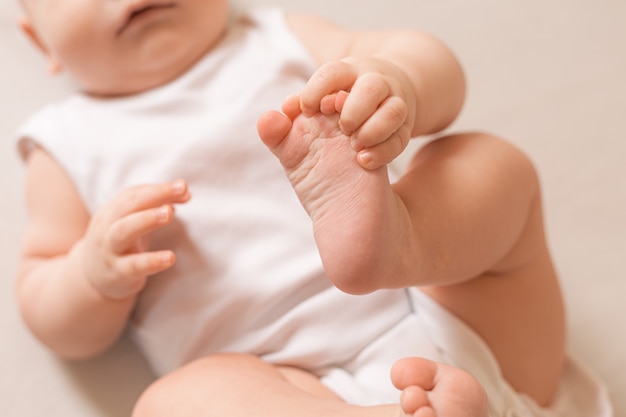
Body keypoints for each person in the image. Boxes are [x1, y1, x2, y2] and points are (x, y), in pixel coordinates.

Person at [13, 0, 610, 416]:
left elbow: (432, 63)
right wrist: (91, 275)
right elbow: (45, 302)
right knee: (172, 404)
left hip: (455, 324)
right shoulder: (67, 142)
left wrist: (396, 82)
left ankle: (398, 242)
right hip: (289, 387)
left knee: (490, 164)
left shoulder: (277, 38)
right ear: (40, 39)